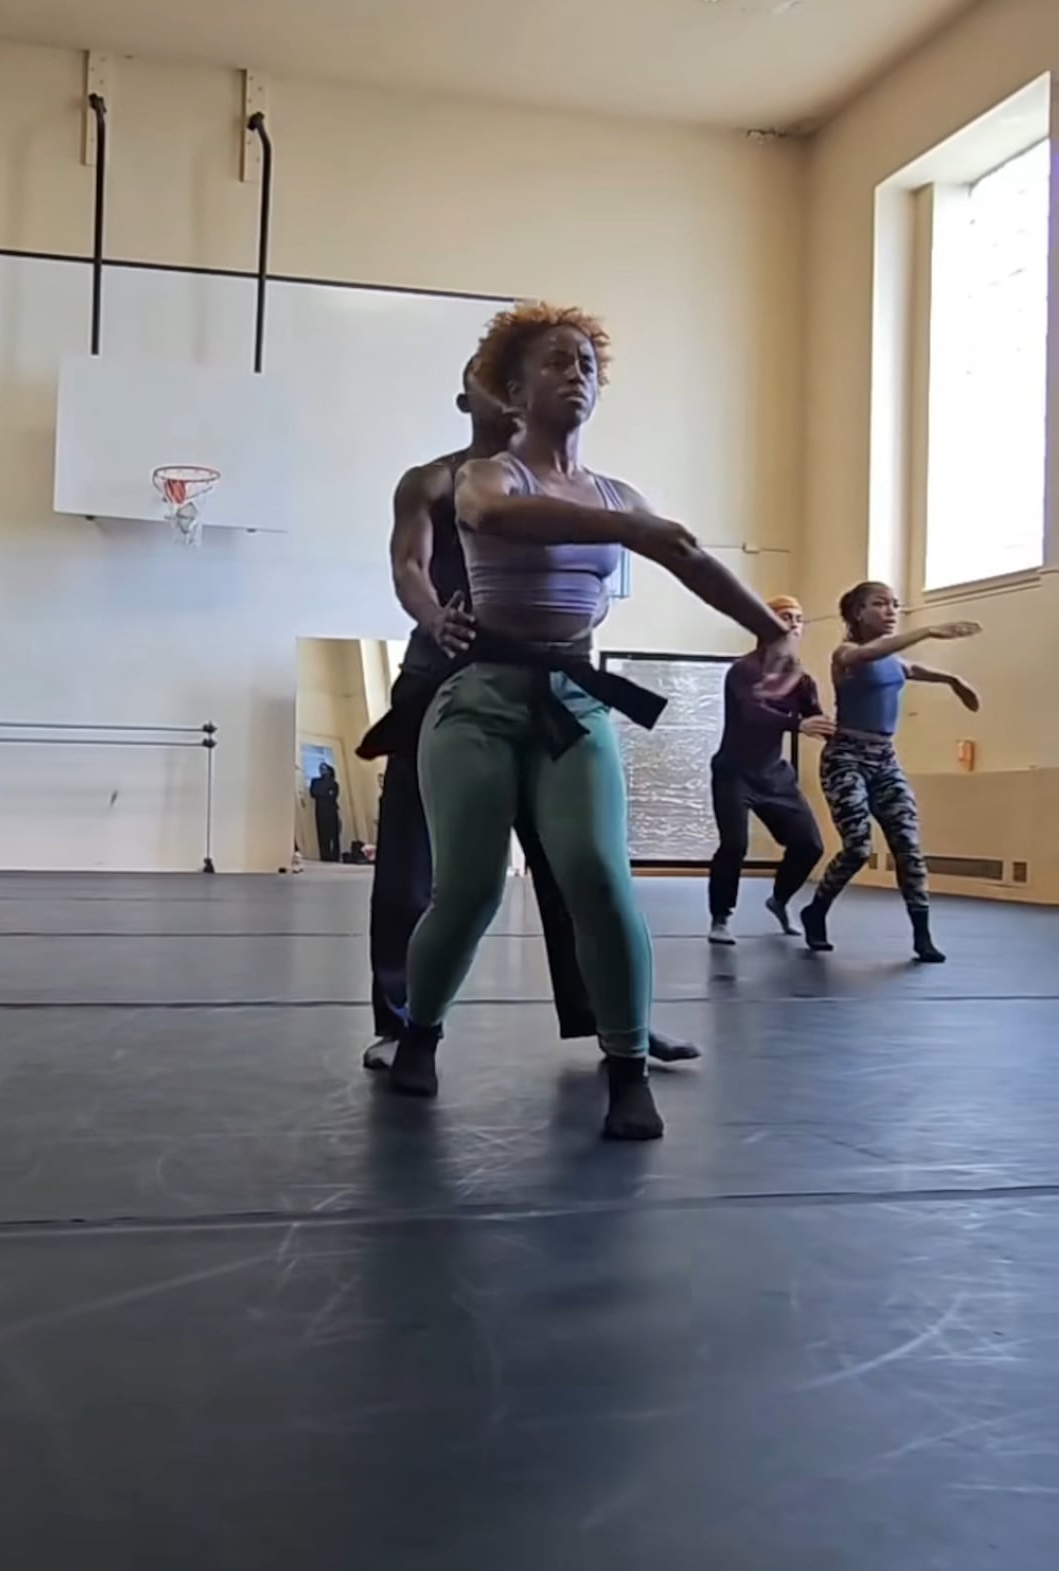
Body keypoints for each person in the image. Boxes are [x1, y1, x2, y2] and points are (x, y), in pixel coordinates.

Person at [391, 302, 801, 1141]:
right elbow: (498, 520)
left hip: (575, 700)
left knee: (600, 877)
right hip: (478, 702)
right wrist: (632, 530)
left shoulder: (619, 494)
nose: (574, 373)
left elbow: (682, 551)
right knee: (464, 889)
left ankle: (625, 1066)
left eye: (584, 363)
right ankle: (418, 1035)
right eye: (553, 362)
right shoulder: (486, 475)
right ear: (512, 390)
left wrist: (771, 630)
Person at [359, 355, 699, 1069]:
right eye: (496, 376)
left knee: (580, 862)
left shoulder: (565, 486)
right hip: (446, 676)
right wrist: (431, 620)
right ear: (472, 396)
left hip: (543, 679)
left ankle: (615, 1019)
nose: (516, 389)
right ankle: (401, 1023)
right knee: (418, 865)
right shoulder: (432, 481)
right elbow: (408, 568)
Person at [800, 582, 980, 963]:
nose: (891, 611)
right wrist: (928, 630)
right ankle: (815, 912)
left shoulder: (894, 662)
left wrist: (953, 680)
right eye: (879, 604)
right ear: (857, 614)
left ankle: (922, 936)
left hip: (884, 760)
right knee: (858, 847)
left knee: (909, 848)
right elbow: (870, 653)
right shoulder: (847, 653)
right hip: (846, 758)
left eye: (894, 605)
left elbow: (911, 667)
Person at [706, 595, 833, 945]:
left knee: (810, 845)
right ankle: (720, 917)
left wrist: (844, 738)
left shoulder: (803, 681)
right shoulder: (745, 670)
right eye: (785, 617)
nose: (793, 623)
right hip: (734, 773)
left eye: (799, 617)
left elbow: (816, 721)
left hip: (775, 775)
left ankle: (778, 901)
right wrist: (798, 724)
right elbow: (754, 713)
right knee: (734, 845)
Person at [309, 762, 342, 862]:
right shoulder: (315, 781)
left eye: (324, 768)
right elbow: (313, 793)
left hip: (331, 810)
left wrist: (322, 793)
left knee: (334, 833)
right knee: (322, 834)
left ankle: (335, 856)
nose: (322, 771)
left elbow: (333, 795)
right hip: (320, 810)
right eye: (320, 768)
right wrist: (325, 793)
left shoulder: (334, 783)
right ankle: (325, 855)